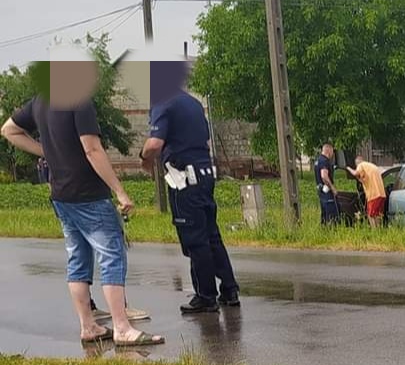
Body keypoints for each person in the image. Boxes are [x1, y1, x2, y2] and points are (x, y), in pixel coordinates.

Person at [1, 68, 164, 346]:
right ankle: (122, 327)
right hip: (88, 193)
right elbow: (92, 149)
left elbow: (8, 129)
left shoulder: (40, 101)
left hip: (61, 194)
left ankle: (88, 327)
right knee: (112, 255)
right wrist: (121, 192)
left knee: (78, 258)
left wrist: (46, 151)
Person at [140, 61, 240, 314]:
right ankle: (229, 290)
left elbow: (154, 144)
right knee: (212, 235)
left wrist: (145, 160)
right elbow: (204, 138)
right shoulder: (193, 103)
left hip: (184, 178)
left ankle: (205, 296)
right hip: (205, 174)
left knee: (195, 239)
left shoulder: (163, 103)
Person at [346, 153, 386, 228]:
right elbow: (365, 180)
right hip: (382, 194)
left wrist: (348, 168)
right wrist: (360, 179)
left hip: (373, 195)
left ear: (358, 163)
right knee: (377, 215)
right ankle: (379, 232)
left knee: (370, 215)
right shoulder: (371, 166)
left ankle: (374, 232)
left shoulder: (361, 165)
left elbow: (355, 173)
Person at [314, 143, 340, 225]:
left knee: (324, 215)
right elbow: (324, 176)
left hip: (321, 191)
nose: (332, 154)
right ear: (329, 150)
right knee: (331, 215)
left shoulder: (318, 160)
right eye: (332, 152)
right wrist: (333, 188)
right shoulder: (324, 161)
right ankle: (331, 233)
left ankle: (324, 232)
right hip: (327, 192)